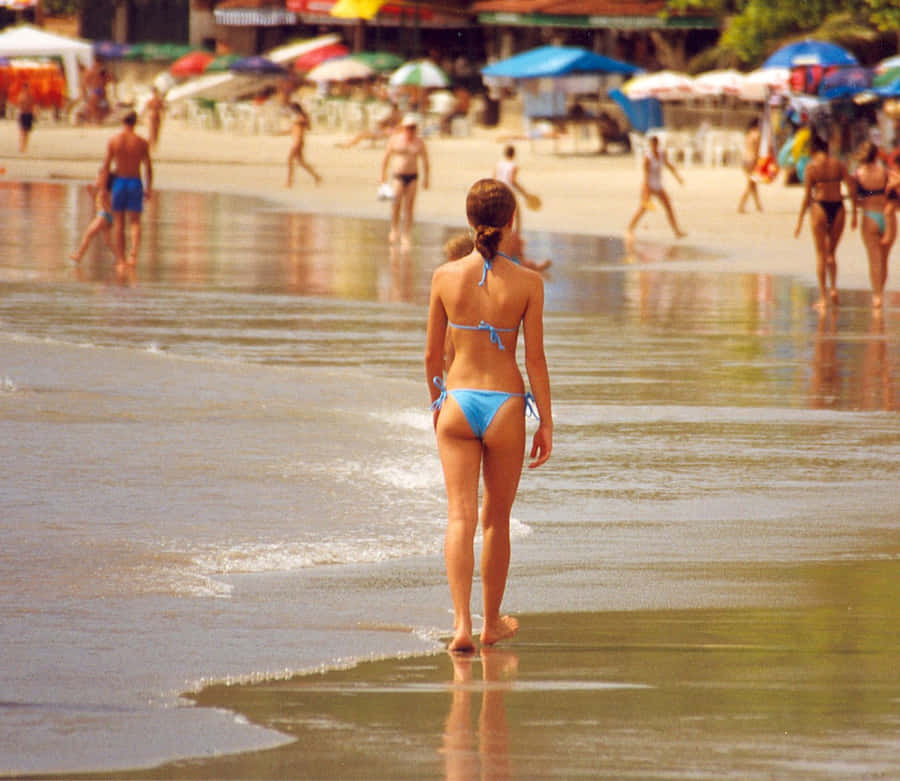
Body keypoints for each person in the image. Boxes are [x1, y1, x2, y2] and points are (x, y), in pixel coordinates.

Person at [425, 179, 552, 653]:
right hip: (505, 405)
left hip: (457, 401)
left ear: (469, 219)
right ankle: (490, 622)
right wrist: (547, 421)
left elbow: (431, 355)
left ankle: (460, 624)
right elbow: (535, 359)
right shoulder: (528, 283)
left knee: (459, 517)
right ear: (511, 222)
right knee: (495, 519)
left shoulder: (444, 276)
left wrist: (437, 404)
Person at [794, 134, 854, 311]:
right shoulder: (839, 164)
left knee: (820, 254)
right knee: (831, 254)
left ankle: (822, 297)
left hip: (819, 207)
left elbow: (807, 196)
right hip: (839, 207)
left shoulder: (811, 167)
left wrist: (799, 221)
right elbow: (850, 187)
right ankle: (833, 288)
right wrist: (856, 213)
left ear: (813, 150)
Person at [102, 110, 152, 268]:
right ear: (135, 123)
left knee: (119, 223)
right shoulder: (141, 142)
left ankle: (121, 260)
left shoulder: (114, 140)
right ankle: (133, 255)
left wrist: (104, 188)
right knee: (135, 222)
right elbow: (148, 167)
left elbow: (106, 166)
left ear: (123, 122)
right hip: (135, 182)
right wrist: (148, 187)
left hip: (119, 183)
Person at [852, 141, 896, 310]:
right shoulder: (885, 172)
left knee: (874, 261)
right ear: (876, 154)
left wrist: (858, 210)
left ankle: (877, 296)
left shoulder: (858, 174)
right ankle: (880, 293)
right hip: (887, 216)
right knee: (884, 260)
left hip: (870, 216)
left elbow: (856, 199)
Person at [381, 114, 430, 247]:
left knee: (409, 207)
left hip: (413, 176)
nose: (411, 130)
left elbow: (425, 161)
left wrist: (426, 179)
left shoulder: (419, 142)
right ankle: (394, 229)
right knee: (396, 204)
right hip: (398, 175)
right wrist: (382, 175)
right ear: (403, 128)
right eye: (408, 128)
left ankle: (406, 234)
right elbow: (386, 158)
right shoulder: (395, 140)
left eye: (413, 128)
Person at [627, 134, 686, 239]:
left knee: (669, 207)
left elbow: (669, 166)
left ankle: (676, 231)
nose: (654, 146)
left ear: (657, 144)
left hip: (658, 185)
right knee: (644, 208)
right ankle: (630, 228)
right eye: (652, 145)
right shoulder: (648, 158)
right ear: (650, 145)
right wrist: (645, 189)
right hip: (649, 185)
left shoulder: (662, 154)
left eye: (655, 144)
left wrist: (678, 177)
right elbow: (645, 175)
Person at [69, 168, 115, 262]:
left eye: (98, 178)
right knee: (108, 241)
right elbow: (97, 201)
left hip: (102, 216)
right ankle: (119, 257)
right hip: (107, 217)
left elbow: (106, 203)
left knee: (88, 234)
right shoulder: (103, 191)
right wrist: (91, 192)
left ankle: (79, 255)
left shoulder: (104, 191)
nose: (96, 180)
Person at [286, 102, 321, 187]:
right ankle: (316, 177)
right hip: (299, 141)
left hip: (297, 142)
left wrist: (302, 121)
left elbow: (307, 127)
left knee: (290, 161)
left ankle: (289, 182)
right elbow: (305, 128)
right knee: (301, 162)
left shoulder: (301, 117)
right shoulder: (300, 117)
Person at [738, 118, 763, 213]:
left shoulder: (748, 134)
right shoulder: (757, 135)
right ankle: (741, 206)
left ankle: (759, 206)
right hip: (752, 160)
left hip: (745, 160)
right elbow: (757, 150)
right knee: (750, 184)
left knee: (753, 184)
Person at [16, 81, 35, 154]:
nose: (26, 89)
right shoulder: (21, 96)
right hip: (23, 114)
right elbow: (19, 106)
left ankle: (25, 146)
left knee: (27, 132)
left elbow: (32, 105)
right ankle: (22, 146)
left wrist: (33, 114)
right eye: (25, 88)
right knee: (22, 132)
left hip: (28, 115)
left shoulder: (30, 96)